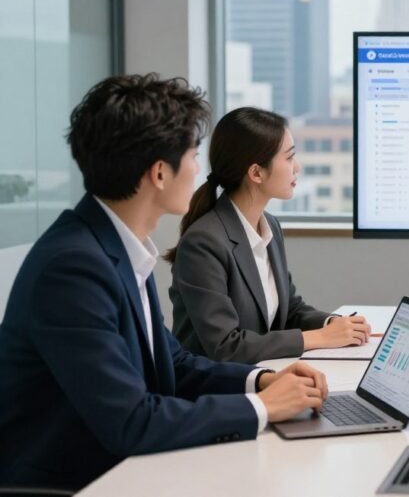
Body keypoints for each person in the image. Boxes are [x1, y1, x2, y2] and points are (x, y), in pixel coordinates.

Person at [0, 74, 329, 491]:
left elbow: (175, 364)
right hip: (79, 483)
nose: (198, 169)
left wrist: (261, 380)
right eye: (192, 155)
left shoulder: (115, 249)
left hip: (122, 468)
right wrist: (261, 407)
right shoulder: (73, 269)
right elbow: (132, 420)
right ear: (159, 172)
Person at [167, 107, 370, 363]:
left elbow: (289, 310)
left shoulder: (269, 226)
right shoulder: (204, 243)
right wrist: (321, 338)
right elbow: (226, 346)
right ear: (256, 173)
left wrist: (335, 324)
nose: (297, 166)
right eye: (288, 157)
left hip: (259, 377)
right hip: (214, 392)